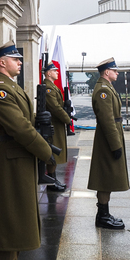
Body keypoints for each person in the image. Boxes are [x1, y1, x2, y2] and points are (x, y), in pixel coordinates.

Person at [0, 42, 57, 260]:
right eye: (15, 59)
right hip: (12, 160)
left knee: (19, 220)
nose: (19, 62)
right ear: (2, 62)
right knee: (10, 223)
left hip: (21, 159)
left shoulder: (12, 87)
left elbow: (29, 121)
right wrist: (46, 151)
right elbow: (20, 129)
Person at [89, 58, 130, 229]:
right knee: (106, 177)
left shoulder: (107, 88)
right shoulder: (103, 91)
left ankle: (104, 214)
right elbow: (107, 121)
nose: (117, 73)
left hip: (111, 136)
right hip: (108, 139)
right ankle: (102, 216)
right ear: (106, 72)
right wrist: (115, 145)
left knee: (108, 176)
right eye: (114, 70)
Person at [43, 61, 72, 192]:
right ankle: (51, 181)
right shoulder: (48, 87)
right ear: (48, 73)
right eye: (54, 71)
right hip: (52, 125)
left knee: (55, 153)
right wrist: (67, 119)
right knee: (52, 152)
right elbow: (55, 107)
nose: (57, 72)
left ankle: (53, 179)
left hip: (56, 124)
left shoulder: (52, 86)